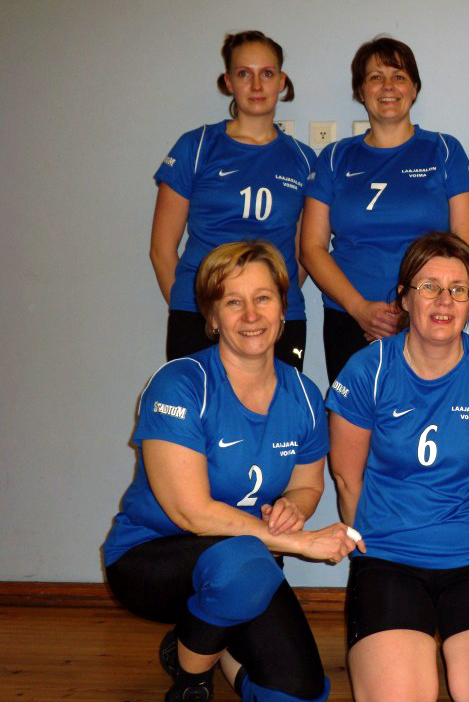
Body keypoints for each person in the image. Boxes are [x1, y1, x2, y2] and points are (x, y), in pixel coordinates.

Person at [104, 241, 361, 702]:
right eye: (233, 302)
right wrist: (300, 541)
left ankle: (204, 642)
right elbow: (192, 513)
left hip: (248, 566)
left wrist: (293, 506)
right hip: (152, 557)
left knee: (300, 691)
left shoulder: (304, 395)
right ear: (213, 316)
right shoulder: (180, 384)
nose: (251, 315)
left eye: (263, 298)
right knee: (241, 564)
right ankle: (191, 682)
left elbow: (307, 484)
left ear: (282, 308)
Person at [327, 232, 469, 702]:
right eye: (429, 287)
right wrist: (374, 545)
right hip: (389, 557)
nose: (444, 301)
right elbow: (346, 479)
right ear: (403, 297)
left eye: (458, 290)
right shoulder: (367, 369)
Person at [301, 37, 469, 384]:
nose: (388, 86)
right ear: (360, 91)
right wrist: (359, 309)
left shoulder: (444, 150)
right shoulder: (335, 157)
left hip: (431, 316)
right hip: (350, 318)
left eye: (399, 76)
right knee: (355, 415)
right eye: (375, 77)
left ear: (414, 88)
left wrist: (413, 307)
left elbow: (466, 244)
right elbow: (311, 247)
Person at [151, 31, 316, 370]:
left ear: (281, 81)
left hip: (277, 317)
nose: (256, 85)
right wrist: (200, 308)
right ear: (228, 82)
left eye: (266, 73)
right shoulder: (196, 146)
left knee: (273, 405)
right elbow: (161, 249)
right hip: (199, 315)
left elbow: (303, 254)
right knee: (201, 405)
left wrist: (268, 300)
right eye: (244, 74)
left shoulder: (303, 159)